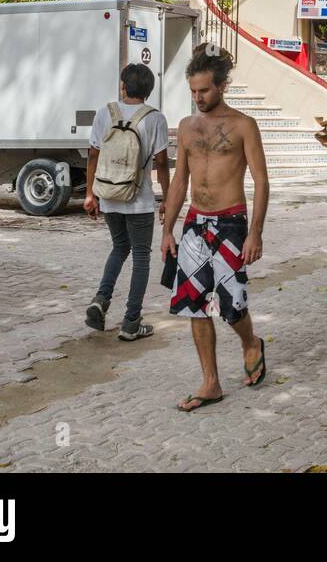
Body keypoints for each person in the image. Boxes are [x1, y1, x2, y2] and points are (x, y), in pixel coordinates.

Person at [160, 44, 269, 412]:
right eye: (193, 91)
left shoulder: (243, 126)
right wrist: (167, 230)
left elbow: (262, 181)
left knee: (231, 306)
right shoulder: (187, 127)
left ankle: (250, 342)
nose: (198, 98)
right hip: (194, 224)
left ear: (221, 85)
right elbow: (179, 182)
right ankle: (211, 382)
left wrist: (255, 232)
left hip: (231, 223)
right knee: (193, 305)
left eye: (204, 90)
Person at [83, 63, 170, 341]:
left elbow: (93, 154)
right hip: (139, 199)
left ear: (123, 85)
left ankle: (101, 299)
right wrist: (167, 199)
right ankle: (131, 322)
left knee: (119, 248)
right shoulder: (155, 118)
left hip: (109, 196)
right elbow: (161, 163)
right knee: (141, 256)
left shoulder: (104, 114)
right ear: (149, 89)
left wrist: (90, 193)